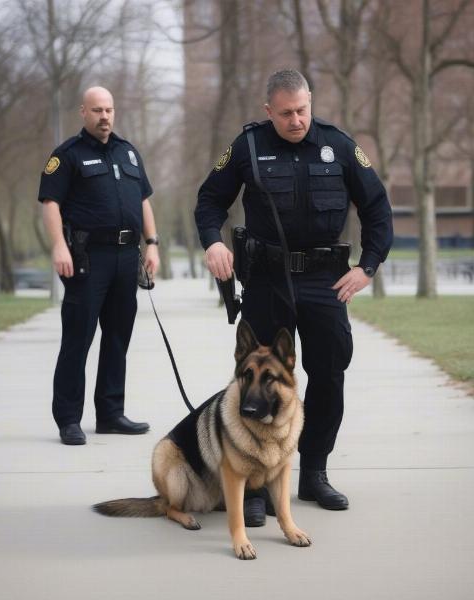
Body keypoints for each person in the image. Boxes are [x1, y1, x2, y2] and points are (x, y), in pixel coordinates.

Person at [194, 69, 393, 524]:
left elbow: (378, 209)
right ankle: (258, 487)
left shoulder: (339, 145)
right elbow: (209, 201)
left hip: (325, 281)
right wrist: (213, 242)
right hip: (266, 279)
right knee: (258, 383)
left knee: (328, 374)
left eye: (302, 110)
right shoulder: (246, 147)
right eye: (286, 113)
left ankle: (315, 474)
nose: (296, 119)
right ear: (269, 111)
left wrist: (367, 268)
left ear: (310, 102)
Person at [38, 86, 160, 445]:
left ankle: (110, 413)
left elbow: (144, 199)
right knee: (78, 339)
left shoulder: (129, 153)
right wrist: (59, 245)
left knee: (118, 337)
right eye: (97, 110)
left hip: (127, 257)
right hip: (88, 260)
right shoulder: (67, 155)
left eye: (108, 109)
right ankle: (68, 420)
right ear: (83, 113)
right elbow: (50, 203)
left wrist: (152, 244)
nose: (104, 116)